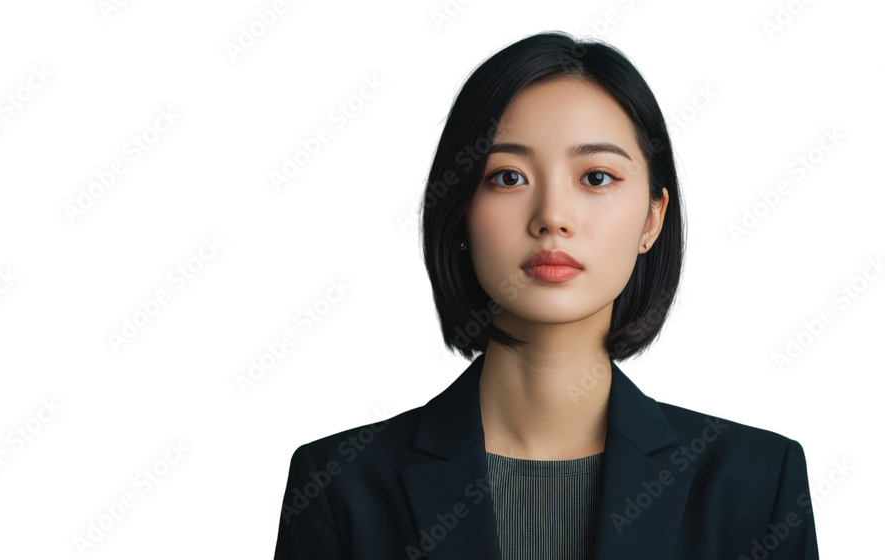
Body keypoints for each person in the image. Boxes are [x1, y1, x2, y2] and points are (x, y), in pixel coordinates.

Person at [273, 31, 819, 560]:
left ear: (652, 218)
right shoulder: (339, 486)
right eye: (508, 177)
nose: (553, 217)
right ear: (459, 212)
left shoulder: (757, 484)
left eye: (598, 177)